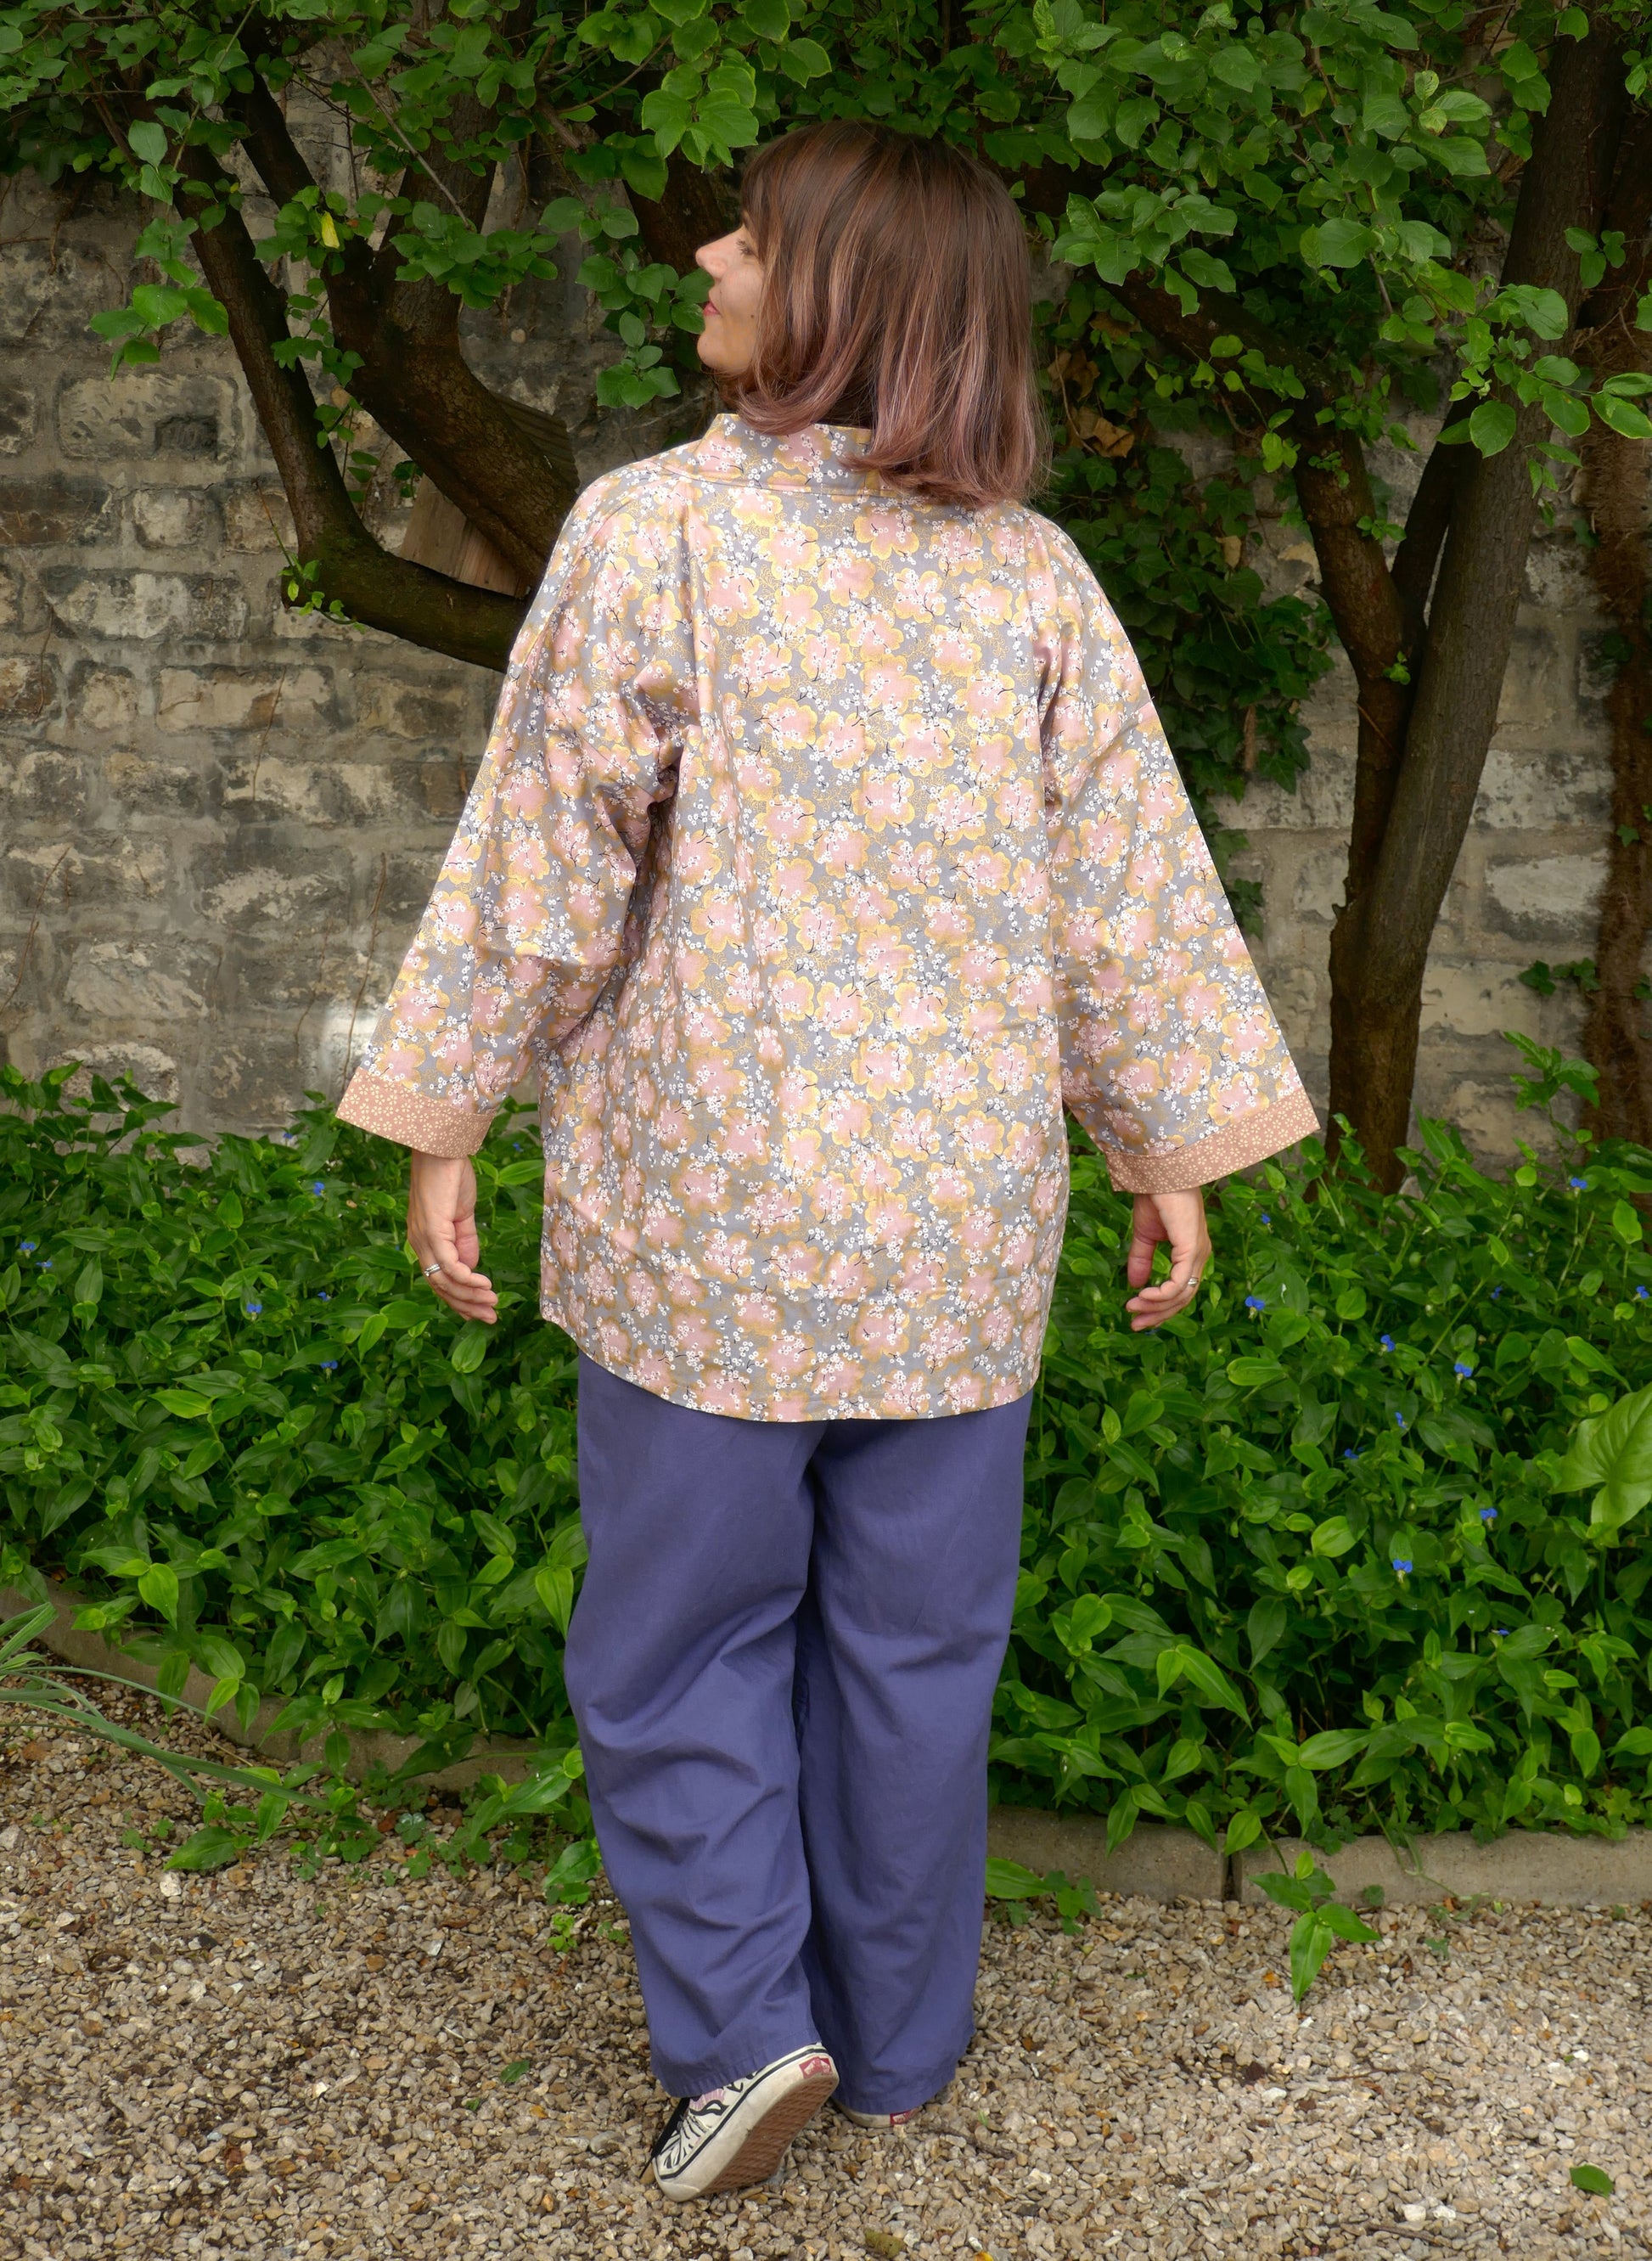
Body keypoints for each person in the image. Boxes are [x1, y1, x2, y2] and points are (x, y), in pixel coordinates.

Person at [337, 119, 1317, 2202]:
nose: (706, 250)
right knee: (915, 1646)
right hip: (953, 1233)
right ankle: (897, 2039)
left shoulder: (661, 536)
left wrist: (448, 1106)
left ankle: (742, 2035)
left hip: (716, 1222)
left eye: (751, 240)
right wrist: (1168, 1141)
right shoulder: (1031, 575)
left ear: (845, 301)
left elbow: (542, 867)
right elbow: (1124, 894)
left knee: (676, 1641)